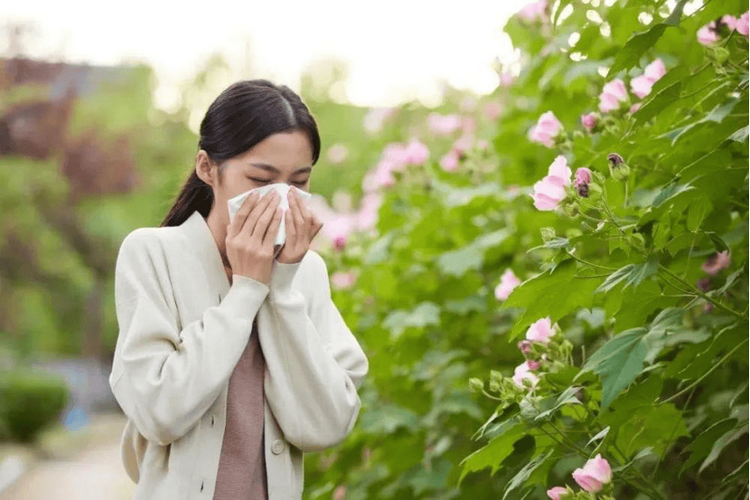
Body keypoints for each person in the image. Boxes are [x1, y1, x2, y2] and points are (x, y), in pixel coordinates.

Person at [108, 79, 369, 500]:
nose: (280, 199)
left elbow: (328, 424)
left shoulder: (307, 273)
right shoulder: (153, 254)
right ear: (207, 168)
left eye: (298, 183)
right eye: (260, 179)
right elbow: (159, 411)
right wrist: (247, 290)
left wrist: (280, 290)